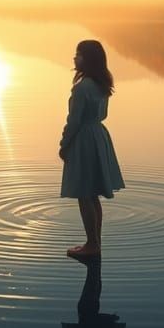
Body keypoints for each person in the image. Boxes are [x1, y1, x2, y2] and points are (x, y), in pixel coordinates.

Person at [59, 39, 125, 257]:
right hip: (98, 134)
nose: (74, 58)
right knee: (92, 194)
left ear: (87, 59)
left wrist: (64, 144)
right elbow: (102, 114)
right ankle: (95, 242)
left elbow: (74, 121)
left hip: (84, 139)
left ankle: (92, 244)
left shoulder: (81, 88)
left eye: (78, 54)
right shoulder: (101, 84)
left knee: (84, 193)